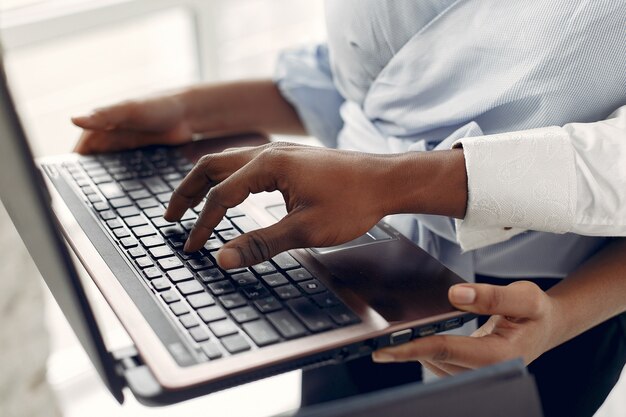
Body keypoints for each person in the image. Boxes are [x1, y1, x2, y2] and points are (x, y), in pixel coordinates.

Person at [71, 2, 626, 416]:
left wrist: (561, 319)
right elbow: (367, 81)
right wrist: (190, 111)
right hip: (349, 269)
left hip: (531, 307)